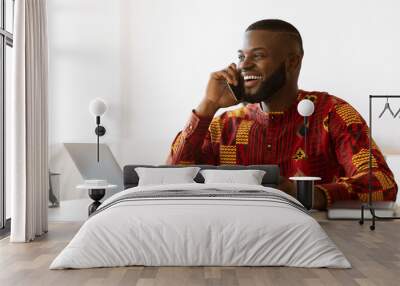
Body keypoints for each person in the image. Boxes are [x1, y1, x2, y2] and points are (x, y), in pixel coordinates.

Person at [166, 19, 397, 209]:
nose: (244, 65)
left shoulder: (332, 114)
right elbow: (169, 183)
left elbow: (382, 185)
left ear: (292, 62)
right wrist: (208, 106)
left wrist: (305, 194)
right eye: (241, 56)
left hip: (317, 245)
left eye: (257, 56)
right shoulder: (224, 125)